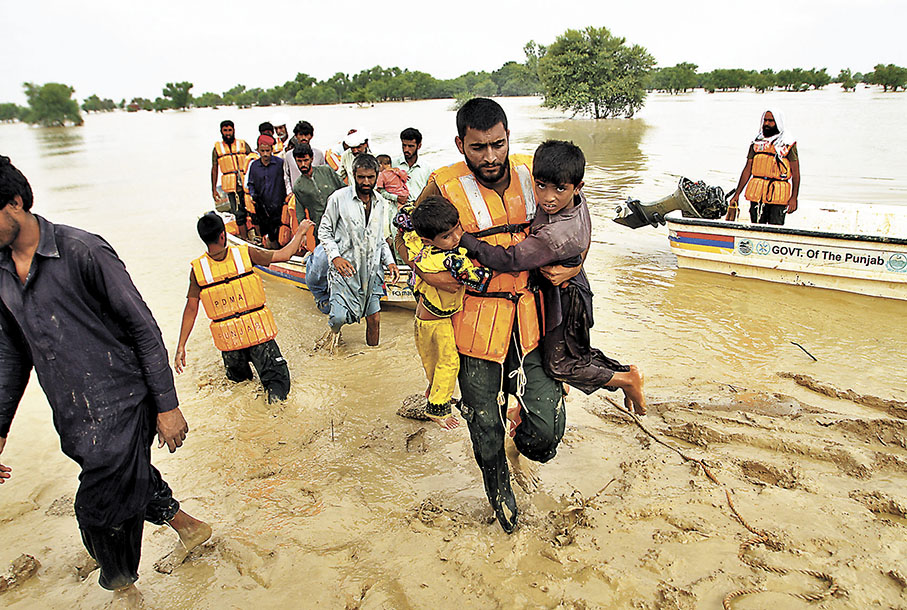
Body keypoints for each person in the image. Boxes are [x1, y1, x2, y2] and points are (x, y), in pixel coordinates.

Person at [0, 156, 211, 602]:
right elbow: (13, 354)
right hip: (74, 412)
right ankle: (189, 527)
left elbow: (143, 328)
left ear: (15, 203)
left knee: (97, 511)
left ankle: (123, 589)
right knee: (126, 479)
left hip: (125, 400)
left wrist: (168, 407)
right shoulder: (0, 271)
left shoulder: (83, 252)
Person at [398, 98, 579, 533]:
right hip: (474, 326)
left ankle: (523, 444)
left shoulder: (531, 173)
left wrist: (576, 264)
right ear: (461, 143)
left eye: (497, 144)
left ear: (509, 136)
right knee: (484, 427)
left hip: (531, 319)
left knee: (548, 429)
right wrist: (426, 269)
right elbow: (404, 232)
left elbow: (578, 216)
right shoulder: (444, 183)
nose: (490, 157)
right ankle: (502, 503)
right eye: (478, 148)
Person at [458, 140, 646, 414]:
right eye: (541, 185)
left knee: (560, 364)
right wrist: (578, 263)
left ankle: (626, 379)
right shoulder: (575, 201)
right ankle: (625, 374)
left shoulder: (555, 233)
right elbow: (585, 236)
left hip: (567, 298)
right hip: (570, 282)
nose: (548, 198)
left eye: (560, 189)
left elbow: (509, 259)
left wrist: (463, 238)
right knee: (573, 352)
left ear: (577, 186)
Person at [174, 211, 312, 404]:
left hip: (231, 344)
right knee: (278, 387)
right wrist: (302, 231)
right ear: (223, 235)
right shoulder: (245, 253)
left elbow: (191, 309)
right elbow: (284, 254)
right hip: (257, 335)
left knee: (241, 389)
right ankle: (274, 418)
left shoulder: (198, 270)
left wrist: (181, 346)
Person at [401, 196, 492, 429]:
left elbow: (403, 228)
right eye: (446, 236)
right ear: (429, 239)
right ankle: (438, 409)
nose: (455, 238)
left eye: (457, 229)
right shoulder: (452, 260)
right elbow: (478, 282)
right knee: (449, 361)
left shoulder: (422, 248)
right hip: (438, 321)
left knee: (432, 361)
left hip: (424, 320)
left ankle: (435, 391)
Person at [315, 154, 399, 352]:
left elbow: (380, 238)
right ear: (353, 175)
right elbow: (324, 231)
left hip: (371, 272)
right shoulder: (338, 199)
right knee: (338, 318)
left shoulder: (381, 203)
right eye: (361, 177)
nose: (366, 182)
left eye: (370, 177)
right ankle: (333, 335)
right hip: (345, 270)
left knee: (375, 318)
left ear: (377, 175)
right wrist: (335, 257)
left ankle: (373, 357)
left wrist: (390, 263)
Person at [726, 109, 800, 225]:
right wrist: (737, 194)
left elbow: (796, 173)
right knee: (756, 227)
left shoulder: (787, 143)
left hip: (778, 195)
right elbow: (747, 169)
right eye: (765, 120)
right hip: (757, 194)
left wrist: (794, 198)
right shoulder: (756, 143)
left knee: (775, 230)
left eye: (771, 121)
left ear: (778, 123)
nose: (766, 124)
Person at [291, 143, 344, 244]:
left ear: (311, 159)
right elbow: (300, 214)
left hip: (340, 220)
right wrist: (302, 235)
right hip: (321, 227)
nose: (303, 165)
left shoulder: (326, 171)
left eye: (305, 160)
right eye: (299, 161)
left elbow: (344, 190)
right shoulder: (298, 186)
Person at [211, 119, 251, 238]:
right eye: (225, 131)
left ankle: (255, 236)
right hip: (232, 188)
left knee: (252, 210)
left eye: (230, 130)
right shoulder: (217, 149)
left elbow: (253, 159)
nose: (228, 133)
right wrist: (213, 189)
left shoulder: (242, 144)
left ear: (234, 130)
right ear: (221, 132)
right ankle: (244, 238)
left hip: (246, 184)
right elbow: (214, 169)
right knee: (238, 213)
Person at [246, 135, 286, 248]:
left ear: (272, 150)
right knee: (265, 230)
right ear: (258, 150)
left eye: (267, 151)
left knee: (279, 231)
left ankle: (279, 250)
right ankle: (268, 248)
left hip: (278, 205)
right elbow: (251, 183)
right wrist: (253, 195)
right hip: (262, 206)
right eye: (262, 151)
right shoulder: (254, 166)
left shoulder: (280, 164)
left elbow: (286, 181)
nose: (265, 154)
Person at [284, 120, 326, 194]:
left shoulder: (318, 154)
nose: (304, 138)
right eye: (301, 135)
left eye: (306, 135)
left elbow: (322, 174)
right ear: (296, 136)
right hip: (296, 193)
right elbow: (286, 176)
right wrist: (290, 192)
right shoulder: (289, 155)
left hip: (315, 193)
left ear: (311, 136)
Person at [395, 127, 433, 202]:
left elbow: (431, 194)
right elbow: (382, 190)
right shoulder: (393, 165)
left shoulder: (428, 169)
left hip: (418, 210)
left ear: (419, 146)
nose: (406, 150)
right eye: (404, 145)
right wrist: (395, 198)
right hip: (395, 210)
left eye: (410, 146)